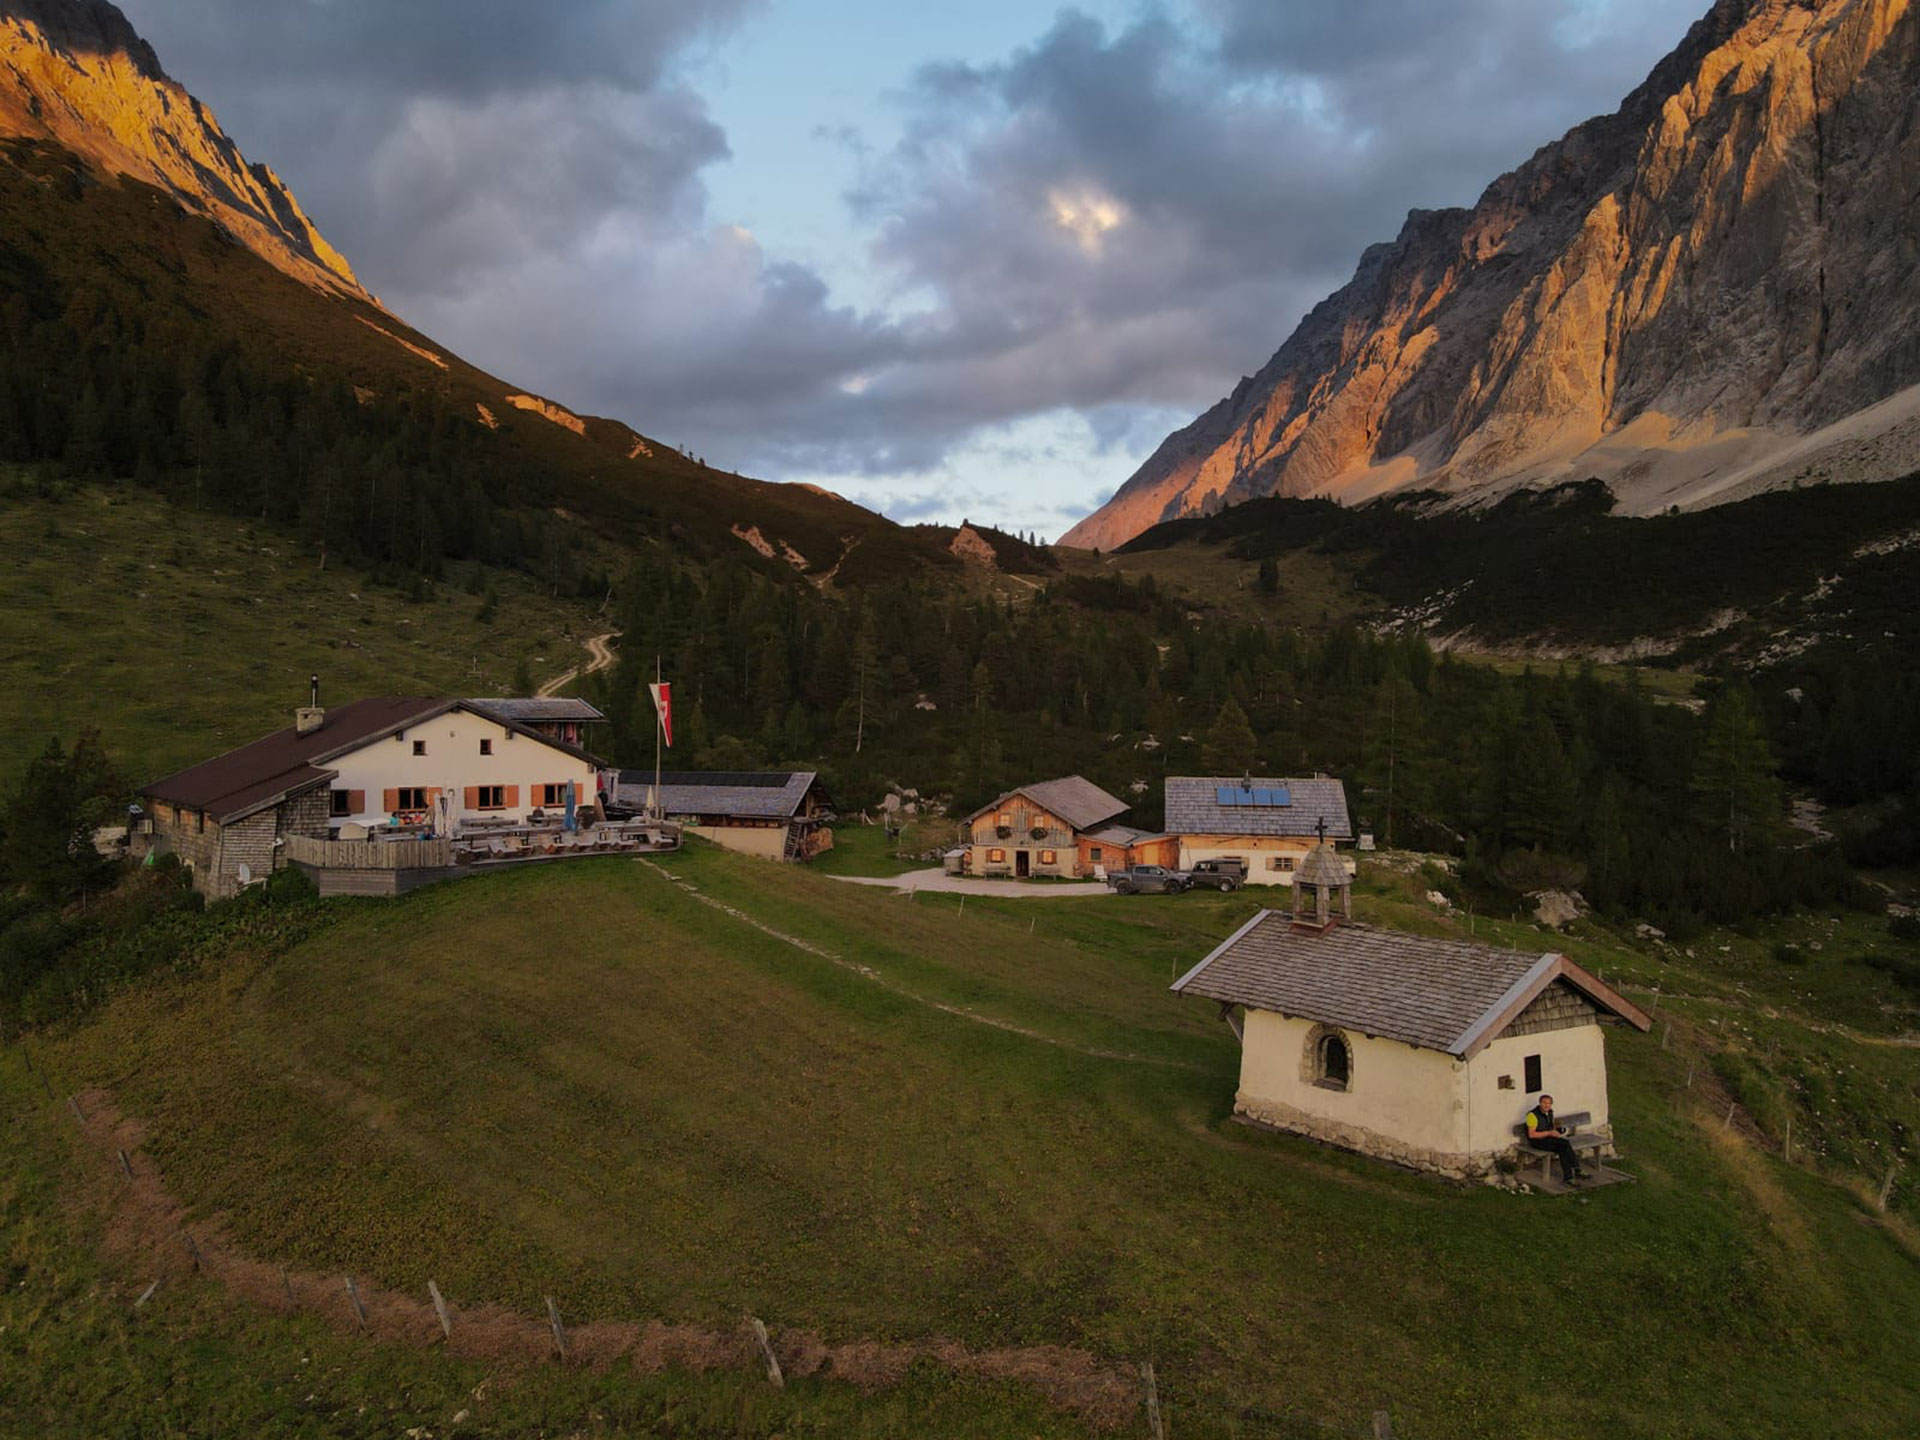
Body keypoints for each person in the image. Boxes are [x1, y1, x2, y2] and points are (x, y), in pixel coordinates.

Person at [1525, 1094, 1589, 1185]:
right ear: (1540, 1103)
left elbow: (1549, 1127)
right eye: (1544, 1103)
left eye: (1549, 1103)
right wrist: (1549, 1133)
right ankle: (1576, 1169)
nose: (1546, 1105)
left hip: (1548, 1139)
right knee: (1565, 1144)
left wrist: (1557, 1131)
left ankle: (1569, 1177)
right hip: (1537, 1141)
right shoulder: (1532, 1115)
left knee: (1563, 1148)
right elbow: (1532, 1135)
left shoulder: (1550, 1112)